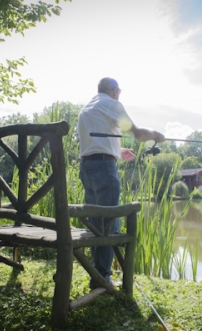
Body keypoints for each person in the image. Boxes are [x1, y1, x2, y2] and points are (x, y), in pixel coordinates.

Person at [77, 77, 165, 289]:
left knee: (97, 222)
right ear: (115, 91)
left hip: (87, 169)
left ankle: (97, 276)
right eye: (120, 91)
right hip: (104, 170)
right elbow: (138, 134)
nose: (120, 95)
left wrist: (117, 151)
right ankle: (102, 279)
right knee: (108, 224)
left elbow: (94, 143)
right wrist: (157, 135)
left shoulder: (87, 109)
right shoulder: (112, 104)